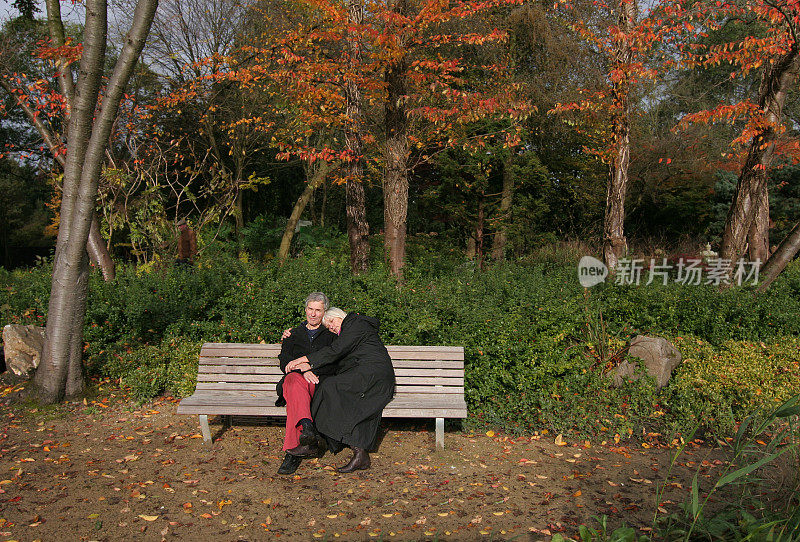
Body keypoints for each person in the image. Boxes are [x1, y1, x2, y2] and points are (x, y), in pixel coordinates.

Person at [285, 308, 396, 473]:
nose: (331, 328)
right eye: (328, 327)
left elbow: (335, 350)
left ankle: (313, 442)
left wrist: (304, 360)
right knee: (330, 389)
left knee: (330, 388)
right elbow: (337, 357)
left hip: (374, 374)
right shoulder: (351, 329)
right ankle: (359, 454)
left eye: (331, 323)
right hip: (366, 373)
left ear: (339, 316)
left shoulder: (356, 323)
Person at [275, 292, 338, 475]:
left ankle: (292, 452)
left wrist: (310, 367)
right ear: (305, 310)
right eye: (310, 309)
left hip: (319, 383)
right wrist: (303, 369)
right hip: (294, 381)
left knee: (294, 400)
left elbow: (334, 363)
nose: (313, 314)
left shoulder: (331, 335)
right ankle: (307, 429)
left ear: (324, 312)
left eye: (317, 310)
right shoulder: (293, 334)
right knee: (293, 382)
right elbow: (284, 362)